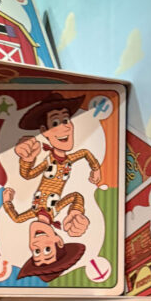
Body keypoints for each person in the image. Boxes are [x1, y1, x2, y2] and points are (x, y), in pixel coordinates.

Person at [9, 92, 101, 237]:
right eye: (56, 123)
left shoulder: (34, 211)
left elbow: (17, 218)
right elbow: (76, 196)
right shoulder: (56, 209)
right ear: (44, 132)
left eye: (66, 120)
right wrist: (76, 211)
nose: (66, 127)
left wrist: (7, 202)